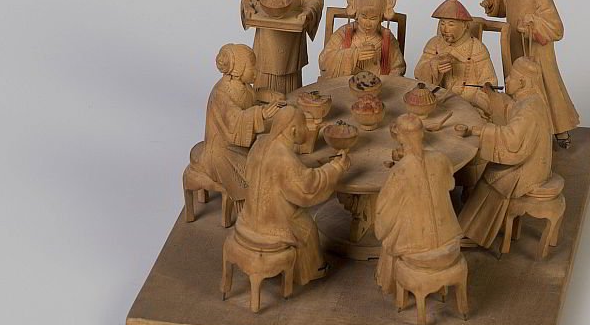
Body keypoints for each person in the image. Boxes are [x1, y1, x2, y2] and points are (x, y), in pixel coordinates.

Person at [233, 105, 351, 286]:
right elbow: (308, 187)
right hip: (271, 223)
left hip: (249, 214)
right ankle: (310, 273)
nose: (307, 130)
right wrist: (336, 167)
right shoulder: (285, 159)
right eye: (304, 125)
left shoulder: (260, 143)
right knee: (307, 228)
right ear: (294, 130)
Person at [480, 0, 579, 147]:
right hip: (514, 44)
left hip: (536, 50)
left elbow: (556, 27)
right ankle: (522, 127)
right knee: (517, 86)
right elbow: (509, 7)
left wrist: (533, 24)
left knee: (546, 86)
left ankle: (559, 129)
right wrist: (495, 3)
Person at [456, 57, 554, 248]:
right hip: (531, 160)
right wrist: (494, 97)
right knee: (491, 172)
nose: (507, 80)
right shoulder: (529, 100)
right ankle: (473, 227)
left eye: (511, 77)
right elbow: (511, 110)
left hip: (528, 168)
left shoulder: (530, 109)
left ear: (522, 82)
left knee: (492, 178)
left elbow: (512, 140)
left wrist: (482, 131)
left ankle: (473, 234)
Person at [374, 114, 464, 294]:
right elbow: (450, 185)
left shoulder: (399, 171)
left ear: (399, 138)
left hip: (416, 247)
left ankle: (394, 285)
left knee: (390, 234)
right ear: (422, 133)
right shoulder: (442, 159)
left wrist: (382, 229)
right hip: (448, 240)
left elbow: (384, 214)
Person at [184, 44, 284, 205]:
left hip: (237, 145)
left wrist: (269, 95)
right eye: (252, 68)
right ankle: (249, 211)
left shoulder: (242, 86)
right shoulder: (220, 94)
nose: (256, 72)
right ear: (239, 70)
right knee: (257, 176)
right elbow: (236, 120)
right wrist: (262, 113)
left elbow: (252, 97)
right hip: (222, 151)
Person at [414, 0, 497, 105]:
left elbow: (489, 83)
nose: (445, 29)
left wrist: (474, 102)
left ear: (464, 26)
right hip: (437, 103)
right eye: (442, 23)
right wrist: (433, 66)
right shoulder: (434, 44)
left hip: (469, 104)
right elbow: (418, 74)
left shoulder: (476, 48)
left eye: (451, 24)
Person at [318, 0, 406, 78]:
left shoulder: (388, 38)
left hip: (379, 85)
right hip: (345, 84)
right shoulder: (342, 33)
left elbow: (398, 67)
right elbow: (324, 61)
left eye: (373, 18)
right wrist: (354, 55)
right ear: (357, 14)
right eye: (364, 16)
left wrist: (385, 81)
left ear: (381, 18)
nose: (367, 23)